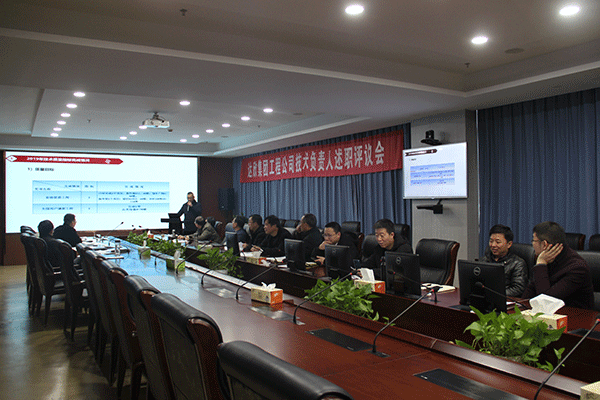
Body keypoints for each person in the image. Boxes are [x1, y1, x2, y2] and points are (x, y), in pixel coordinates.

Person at [522, 221, 594, 309]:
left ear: (544, 244)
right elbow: (530, 292)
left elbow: (545, 301)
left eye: (534, 240)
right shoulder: (548, 257)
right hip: (551, 313)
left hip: (574, 315)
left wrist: (541, 264)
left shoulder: (577, 268)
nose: (532, 244)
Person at [481, 224, 528, 297]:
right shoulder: (484, 260)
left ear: (509, 244)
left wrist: (494, 294)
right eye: (491, 241)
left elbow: (518, 289)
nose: (493, 245)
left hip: (505, 299)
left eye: (498, 242)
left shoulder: (517, 263)